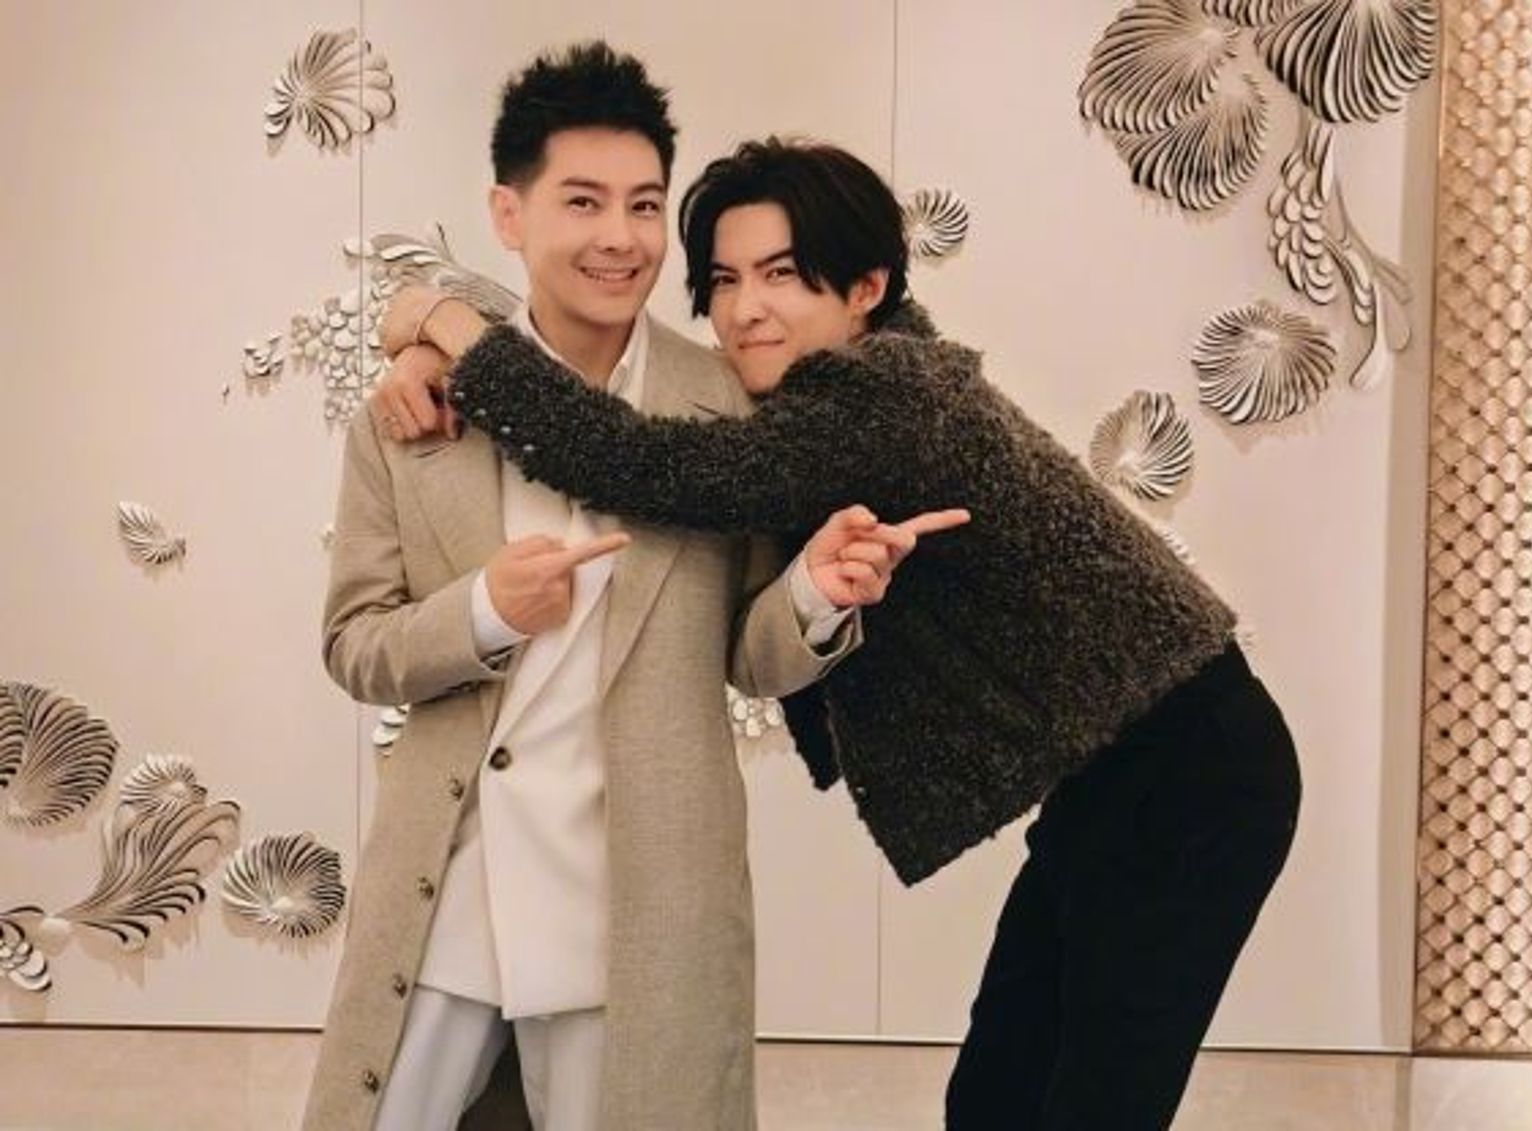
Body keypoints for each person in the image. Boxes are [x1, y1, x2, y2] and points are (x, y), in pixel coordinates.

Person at [375, 137, 1301, 1131]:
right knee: (996, 1099)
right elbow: (632, 406)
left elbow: (635, 460)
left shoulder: (886, 396)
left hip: (1195, 768)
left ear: (866, 288)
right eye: (724, 280)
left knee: (1090, 1104)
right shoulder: (845, 385)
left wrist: (442, 322)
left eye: (781, 275)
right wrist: (433, 352)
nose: (745, 309)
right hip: (1118, 770)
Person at [306, 54, 955, 1131]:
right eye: (584, 202)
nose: (621, 236)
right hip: (448, 891)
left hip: (637, 906)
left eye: (645, 205)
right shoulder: (417, 409)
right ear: (508, 215)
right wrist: (482, 612)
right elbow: (354, 644)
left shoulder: (729, 404)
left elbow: (750, 653)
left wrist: (816, 591)